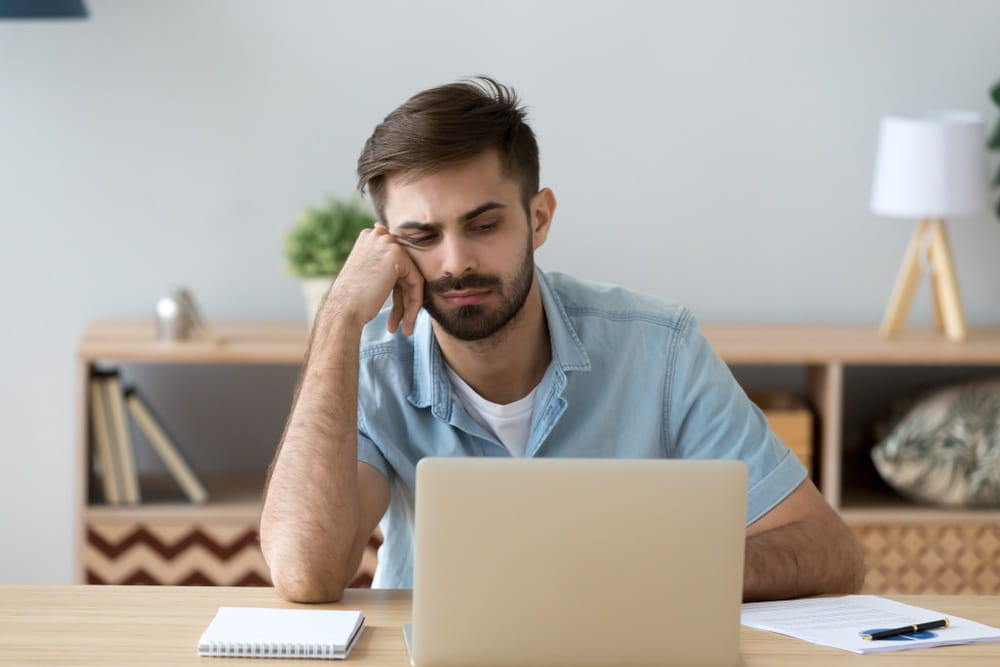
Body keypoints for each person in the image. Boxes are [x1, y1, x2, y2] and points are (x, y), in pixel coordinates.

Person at [259, 76, 865, 603]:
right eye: (421, 236)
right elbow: (306, 573)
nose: (454, 263)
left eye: (484, 224)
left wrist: (658, 576)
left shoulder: (659, 349)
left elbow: (830, 552)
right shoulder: (372, 365)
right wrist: (339, 315)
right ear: (386, 244)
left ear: (539, 217)